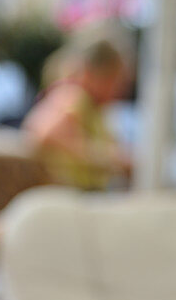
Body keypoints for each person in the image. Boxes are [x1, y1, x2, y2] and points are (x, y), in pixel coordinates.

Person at [23, 35, 132, 191]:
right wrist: (101, 155)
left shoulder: (94, 108)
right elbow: (41, 131)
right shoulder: (74, 96)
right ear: (95, 74)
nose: (120, 90)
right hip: (69, 192)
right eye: (115, 81)